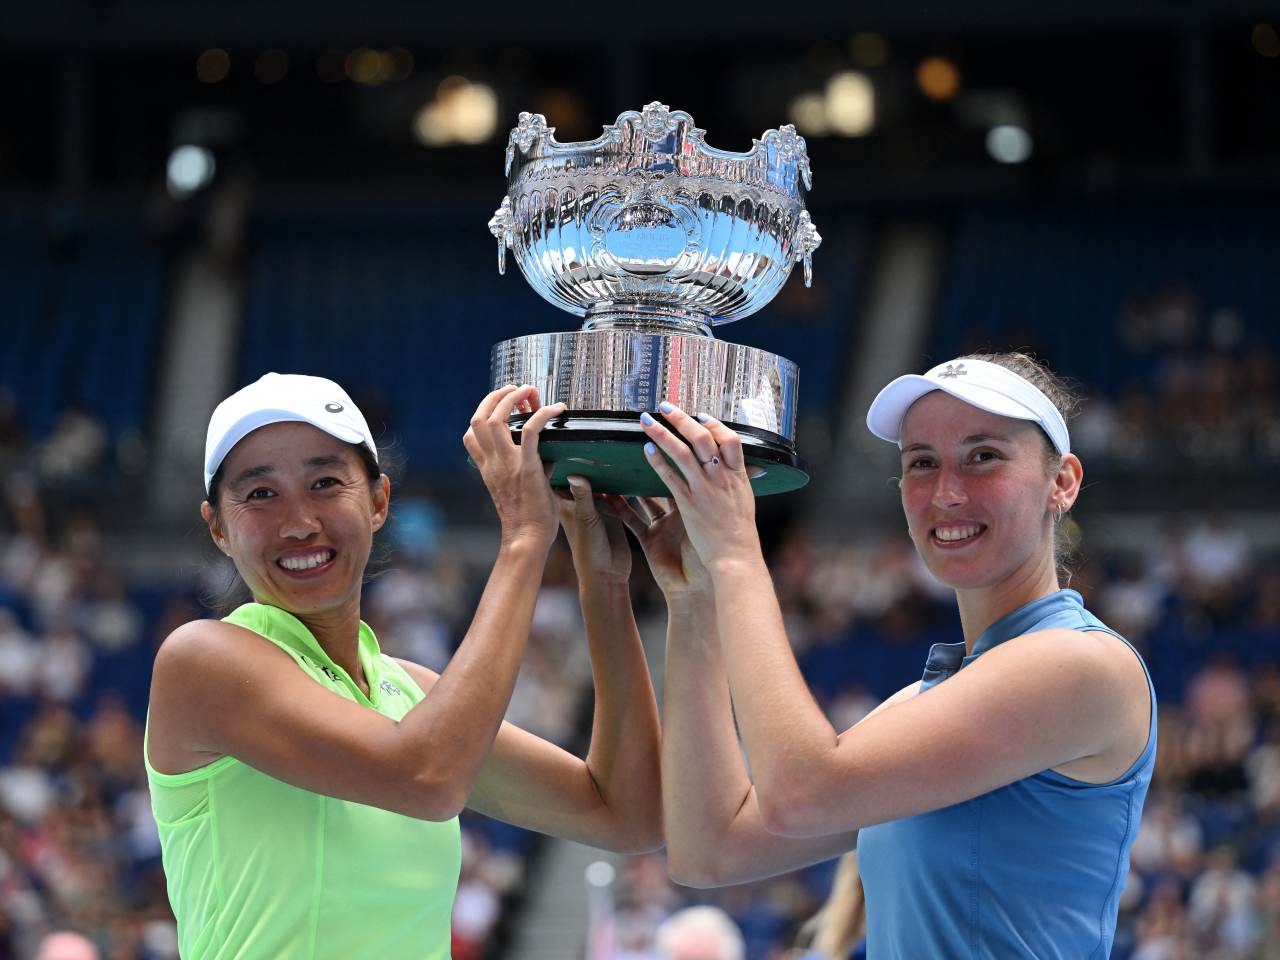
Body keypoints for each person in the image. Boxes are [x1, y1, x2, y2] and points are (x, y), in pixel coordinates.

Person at [627, 353, 1156, 958]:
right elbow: (711, 849)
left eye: (983, 456)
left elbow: (800, 792)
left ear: (1061, 482)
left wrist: (737, 554)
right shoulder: (931, 701)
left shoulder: (1084, 665)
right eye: (921, 463)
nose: (948, 492)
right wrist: (694, 600)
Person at [145, 374, 662, 960]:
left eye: (324, 483)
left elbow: (628, 815)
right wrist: (523, 541)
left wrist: (606, 580)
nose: (299, 522)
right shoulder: (201, 659)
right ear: (218, 527)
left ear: (379, 502)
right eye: (261, 494)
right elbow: (429, 778)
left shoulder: (410, 694)